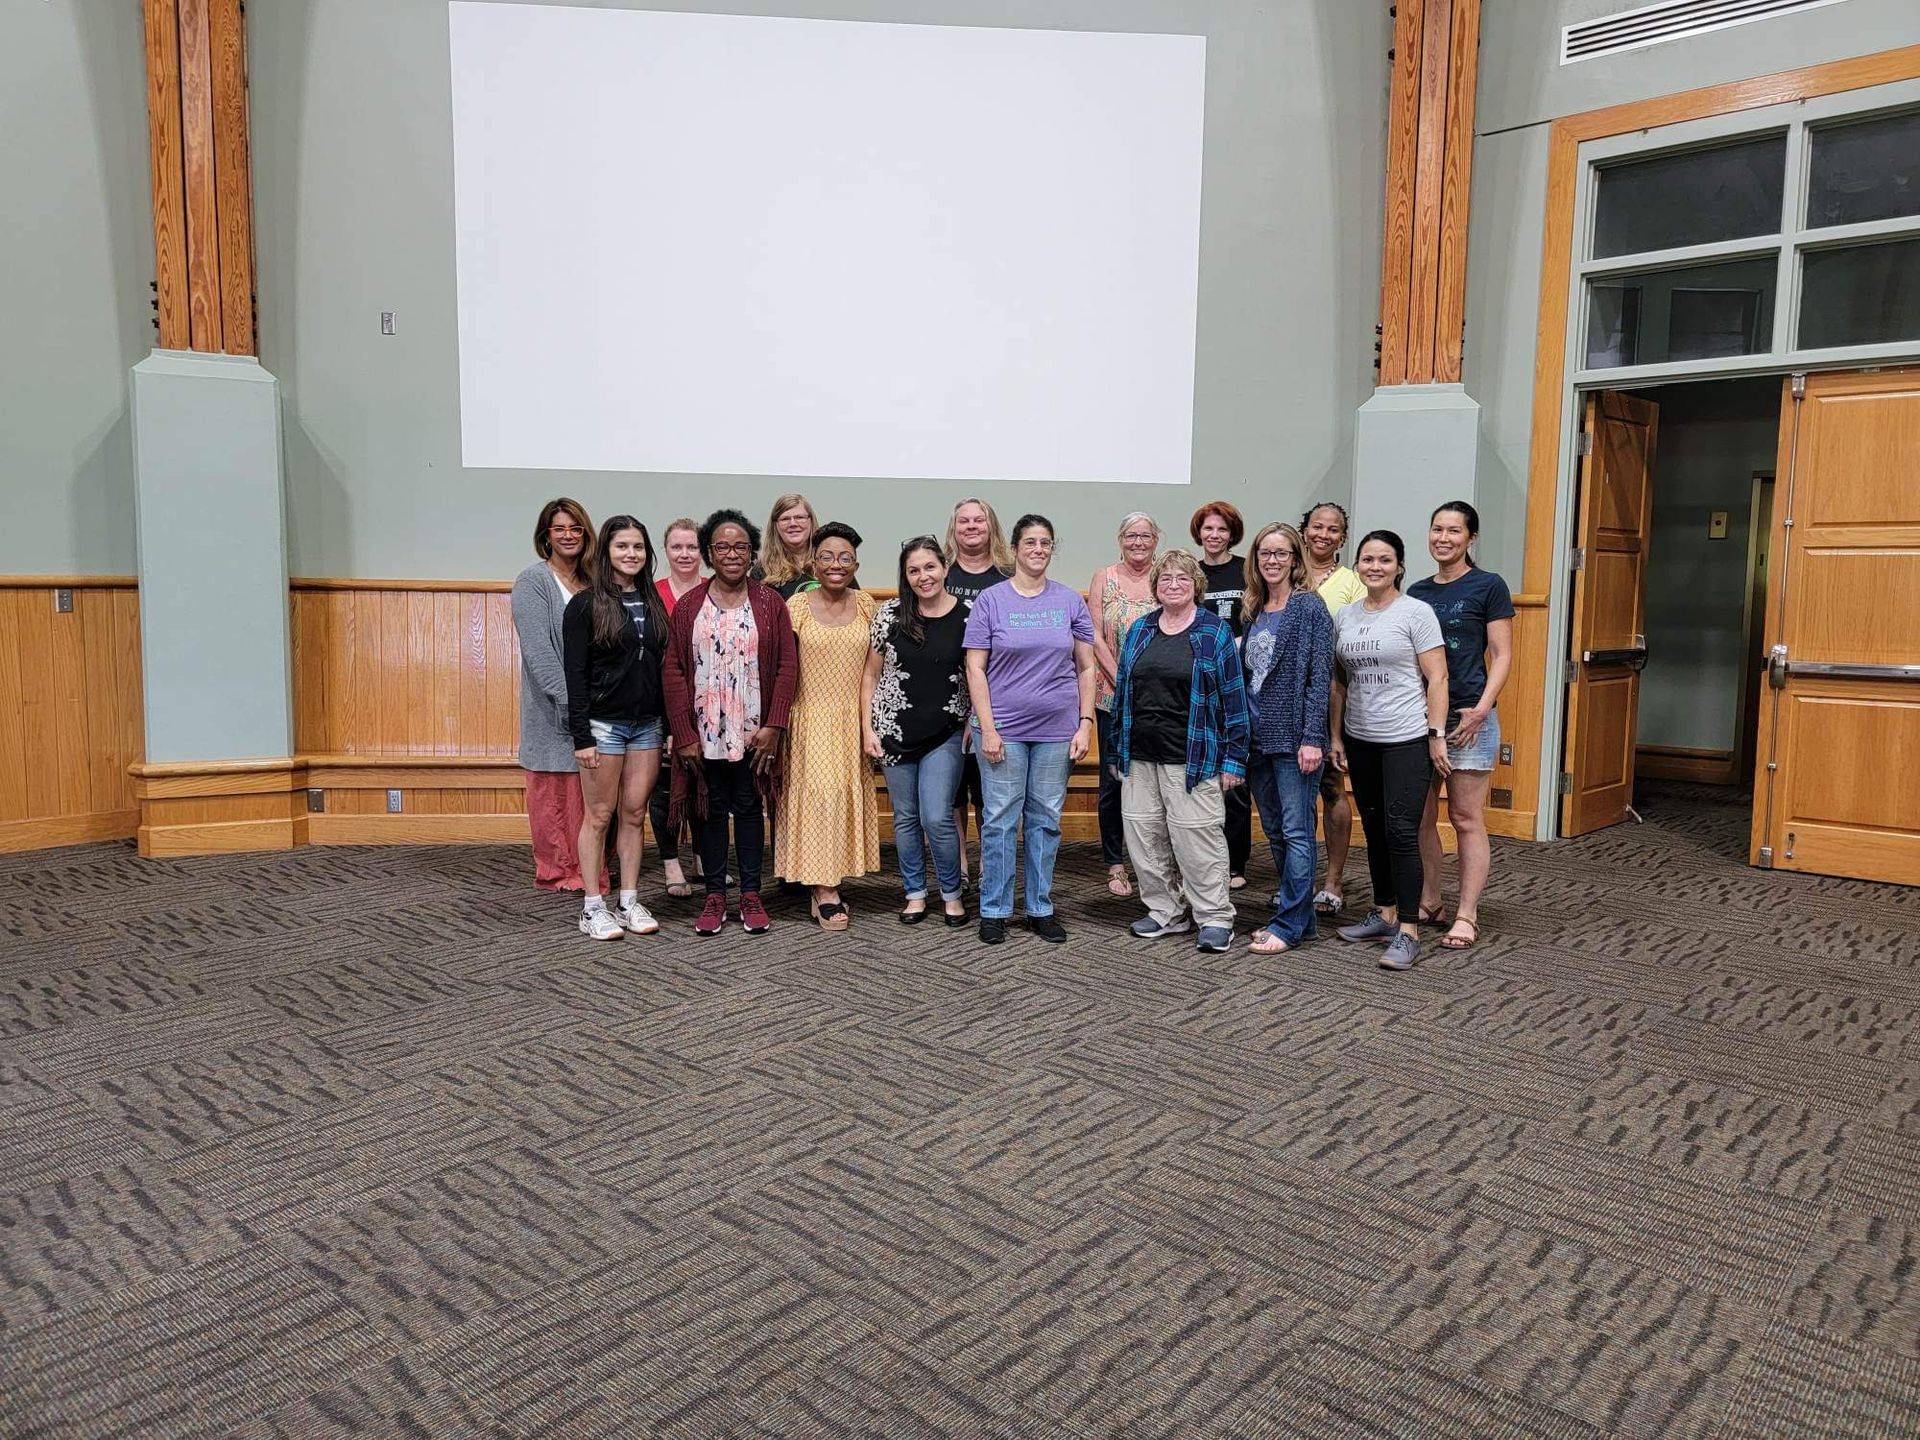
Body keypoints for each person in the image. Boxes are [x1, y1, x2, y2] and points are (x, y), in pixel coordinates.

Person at [663, 509, 797, 937]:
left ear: (752, 551)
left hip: (755, 733)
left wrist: (774, 726)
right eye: (722, 546)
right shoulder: (689, 606)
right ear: (709, 553)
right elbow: (673, 671)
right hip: (704, 735)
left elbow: (787, 666)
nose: (732, 554)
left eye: (740, 546)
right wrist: (684, 733)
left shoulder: (770, 603)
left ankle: (752, 894)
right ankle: (716, 896)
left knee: (750, 808)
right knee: (712, 809)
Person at [1107, 549, 1249, 954]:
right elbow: (1123, 695)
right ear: (1155, 586)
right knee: (1144, 837)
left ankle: (1214, 917)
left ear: (1196, 586)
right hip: (1139, 756)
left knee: (1197, 841)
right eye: (1165, 578)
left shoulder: (1213, 632)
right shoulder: (1140, 629)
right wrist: (1115, 751)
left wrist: (1234, 759)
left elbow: (1234, 700)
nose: (1173, 585)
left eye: (1182, 578)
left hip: (1193, 758)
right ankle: (1166, 911)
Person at [965, 514, 1097, 945]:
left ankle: (1040, 906)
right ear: (1015, 549)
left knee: (1045, 820)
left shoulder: (1069, 601)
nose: (1038, 550)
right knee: (1000, 820)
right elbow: (975, 668)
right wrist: (987, 728)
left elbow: (1087, 667)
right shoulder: (991, 600)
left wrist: (1085, 722)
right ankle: (994, 909)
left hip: (1057, 730)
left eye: (1045, 543)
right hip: (1003, 729)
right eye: (1030, 543)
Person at [1329, 530, 1451, 971]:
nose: (1375, 567)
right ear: (1357, 566)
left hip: (1406, 738)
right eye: (1367, 559)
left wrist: (1436, 734)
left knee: (1401, 831)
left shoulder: (1416, 612)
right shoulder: (1345, 616)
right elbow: (1339, 681)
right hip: (1361, 737)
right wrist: (1336, 736)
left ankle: (1409, 929)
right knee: (1376, 828)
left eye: (1384, 560)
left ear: (1399, 566)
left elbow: (1438, 677)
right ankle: (1383, 913)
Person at [1409, 500, 1514, 952]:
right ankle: (1430, 901)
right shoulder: (1416, 591)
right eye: (1437, 529)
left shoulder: (1489, 585)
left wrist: (1482, 709)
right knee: (1420, 816)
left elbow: (1502, 655)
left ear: (1471, 537)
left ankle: (1467, 914)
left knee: (1465, 817)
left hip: (1470, 717)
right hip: (1420, 716)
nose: (1443, 538)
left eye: (1454, 531)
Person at [562, 516, 669, 941]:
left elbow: (663, 670)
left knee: (634, 813)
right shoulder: (585, 605)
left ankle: (628, 901)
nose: (631, 554)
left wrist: (668, 724)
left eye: (638, 547)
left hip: (647, 727)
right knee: (599, 815)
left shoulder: (654, 602)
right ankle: (592, 907)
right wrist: (582, 737)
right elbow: (574, 675)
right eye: (622, 546)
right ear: (606, 551)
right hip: (602, 727)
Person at [778, 522, 882, 928]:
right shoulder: (797, 607)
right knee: (819, 797)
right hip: (808, 718)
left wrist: (871, 724)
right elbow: (781, 667)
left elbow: (877, 669)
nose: (836, 564)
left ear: (855, 564)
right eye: (827, 556)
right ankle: (824, 889)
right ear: (813, 564)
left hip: (853, 720)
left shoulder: (867, 604)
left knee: (842, 796)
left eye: (845, 558)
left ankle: (829, 876)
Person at [863, 537, 970, 927]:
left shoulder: (969, 615)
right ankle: (914, 893)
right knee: (906, 817)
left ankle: (951, 893)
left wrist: (975, 720)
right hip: (893, 729)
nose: (923, 576)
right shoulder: (889, 614)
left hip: (947, 731)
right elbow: (870, 675)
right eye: (913, 570)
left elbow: (980, 673)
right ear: (905, 576)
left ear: (944, 568)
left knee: (937, 816)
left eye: (929, 567)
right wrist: (867, 728)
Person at [1239, 523, 1334, 954]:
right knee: (1275, 831)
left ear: (1295, 559)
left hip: (1295, 739)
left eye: (1281, 553)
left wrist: (1313, 737)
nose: (1272, 561)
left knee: (1297, 832)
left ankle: (1289, 925)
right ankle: (1302, 920)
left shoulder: (1309, 607)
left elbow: (1319, 677)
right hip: (1257, 739)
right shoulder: (1254, 607)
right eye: (1265, 553)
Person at [511, 497, 599, 893]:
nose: (568, 535)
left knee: (591, 796)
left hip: (597, 708)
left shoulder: (595, 581)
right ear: (545, 535)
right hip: (553, 712)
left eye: (575, 528)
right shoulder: (533, 582)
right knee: (556, 796)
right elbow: (540, 655)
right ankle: (561, 871)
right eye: (559, 528)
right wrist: (571, 704)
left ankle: (592, 869)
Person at [942, 498, 1015, 890]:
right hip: (945, 698)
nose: (971, 526)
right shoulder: (940, 572)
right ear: (953, 528)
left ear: (992, 527)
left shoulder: (1008, 576)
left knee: (990, 790)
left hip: (995, 700)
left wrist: (980, 714)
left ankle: (989, 862)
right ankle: (959, 863)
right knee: (953, 789)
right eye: (963, 521)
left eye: (979, 520)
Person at [1086, 512, 1160, 898]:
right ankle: (1115, 863)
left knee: (1156, 780)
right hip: (1112, 696)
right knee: (1112, 781)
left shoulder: (1167, 576)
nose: (1138, 542)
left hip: (1161, 699)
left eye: (1145, 535)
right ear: (1120, 539)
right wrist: (1123, 679)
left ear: (1156, 540)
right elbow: (1094, 635)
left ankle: (1156, 862)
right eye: (1131, 535)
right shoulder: (1104, 577)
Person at [1300, 501, 1367, 917]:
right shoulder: (1286, 571)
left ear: (1343, 537)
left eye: (1334, 529)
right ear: (1304, 529)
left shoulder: (1352, 584)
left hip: (1332, 698)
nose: (1323, 535)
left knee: (1331, 786)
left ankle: (1333, 881)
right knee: (1295, 793)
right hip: (1287, 700)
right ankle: (1299, 880)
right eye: (1317, 526)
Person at [1191, 501, 1252, 889]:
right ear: (1199, 533)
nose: (1214, 536)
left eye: (1222, 530)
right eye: (1208, 529)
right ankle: (1200, 859)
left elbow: (1258, 619)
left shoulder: (1247, 570)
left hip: (1237, 681)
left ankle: (1235, 863)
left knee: (1235, 777)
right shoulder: (1190, 572)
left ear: (1233, 535)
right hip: (1199, 684)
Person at [650, 517, 706, 898]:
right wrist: (671, 725)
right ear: (666, 551)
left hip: (709, 709)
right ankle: (671, 864)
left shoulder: (716, 591)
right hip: (661, 707)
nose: (685, 554)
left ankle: (703, 858)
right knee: (664, 788)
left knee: (706, 784)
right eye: (677, 547)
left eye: (692, 547)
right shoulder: (652, 596)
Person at [757, 493, 819, 598]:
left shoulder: (830, 563)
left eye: (800, 517)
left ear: (811, 521)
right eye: (785, 519)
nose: (793, 524)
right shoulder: (763, 570)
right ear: (775, 525)